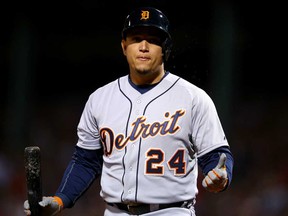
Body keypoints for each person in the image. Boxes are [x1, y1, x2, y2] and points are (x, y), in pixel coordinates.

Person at [24, 6, 234, 216]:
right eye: (135, 39)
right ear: (124, 46)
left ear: (166, 48)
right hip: (115, 212)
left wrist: (221, 175)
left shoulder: (193, 98)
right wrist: (60, 199)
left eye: (152, 39)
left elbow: (216, 155)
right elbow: (85, 161)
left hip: (172, 211)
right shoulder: (100, 99)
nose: (143, 46)